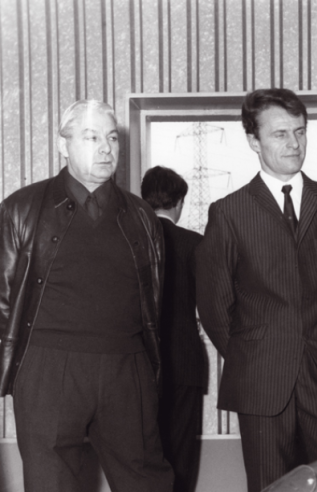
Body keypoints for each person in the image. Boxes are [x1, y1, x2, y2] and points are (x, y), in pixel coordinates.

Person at [195, 88, 317, 492]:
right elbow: (215, 309)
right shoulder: (229, 213)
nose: (294, 143)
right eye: (280, 134)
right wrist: (258, 353)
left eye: (300, 131)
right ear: (253, 141)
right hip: (261, 384)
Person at [0, 100, 173, 491]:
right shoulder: (22, 209)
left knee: (147, 481)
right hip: (48, 370)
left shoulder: (143, 217)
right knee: (53, 484)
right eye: (91, 137)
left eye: (112, 138)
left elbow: (154, 302)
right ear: (63, 145)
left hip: (127, 369)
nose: (105, 148)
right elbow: (3, 299)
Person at [142, 166, 208, 492]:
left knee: (142, 455)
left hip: (139, 364)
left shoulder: (131, 241)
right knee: (181, 456)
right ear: (179, 202)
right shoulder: (195, 244)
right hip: (185, 361)